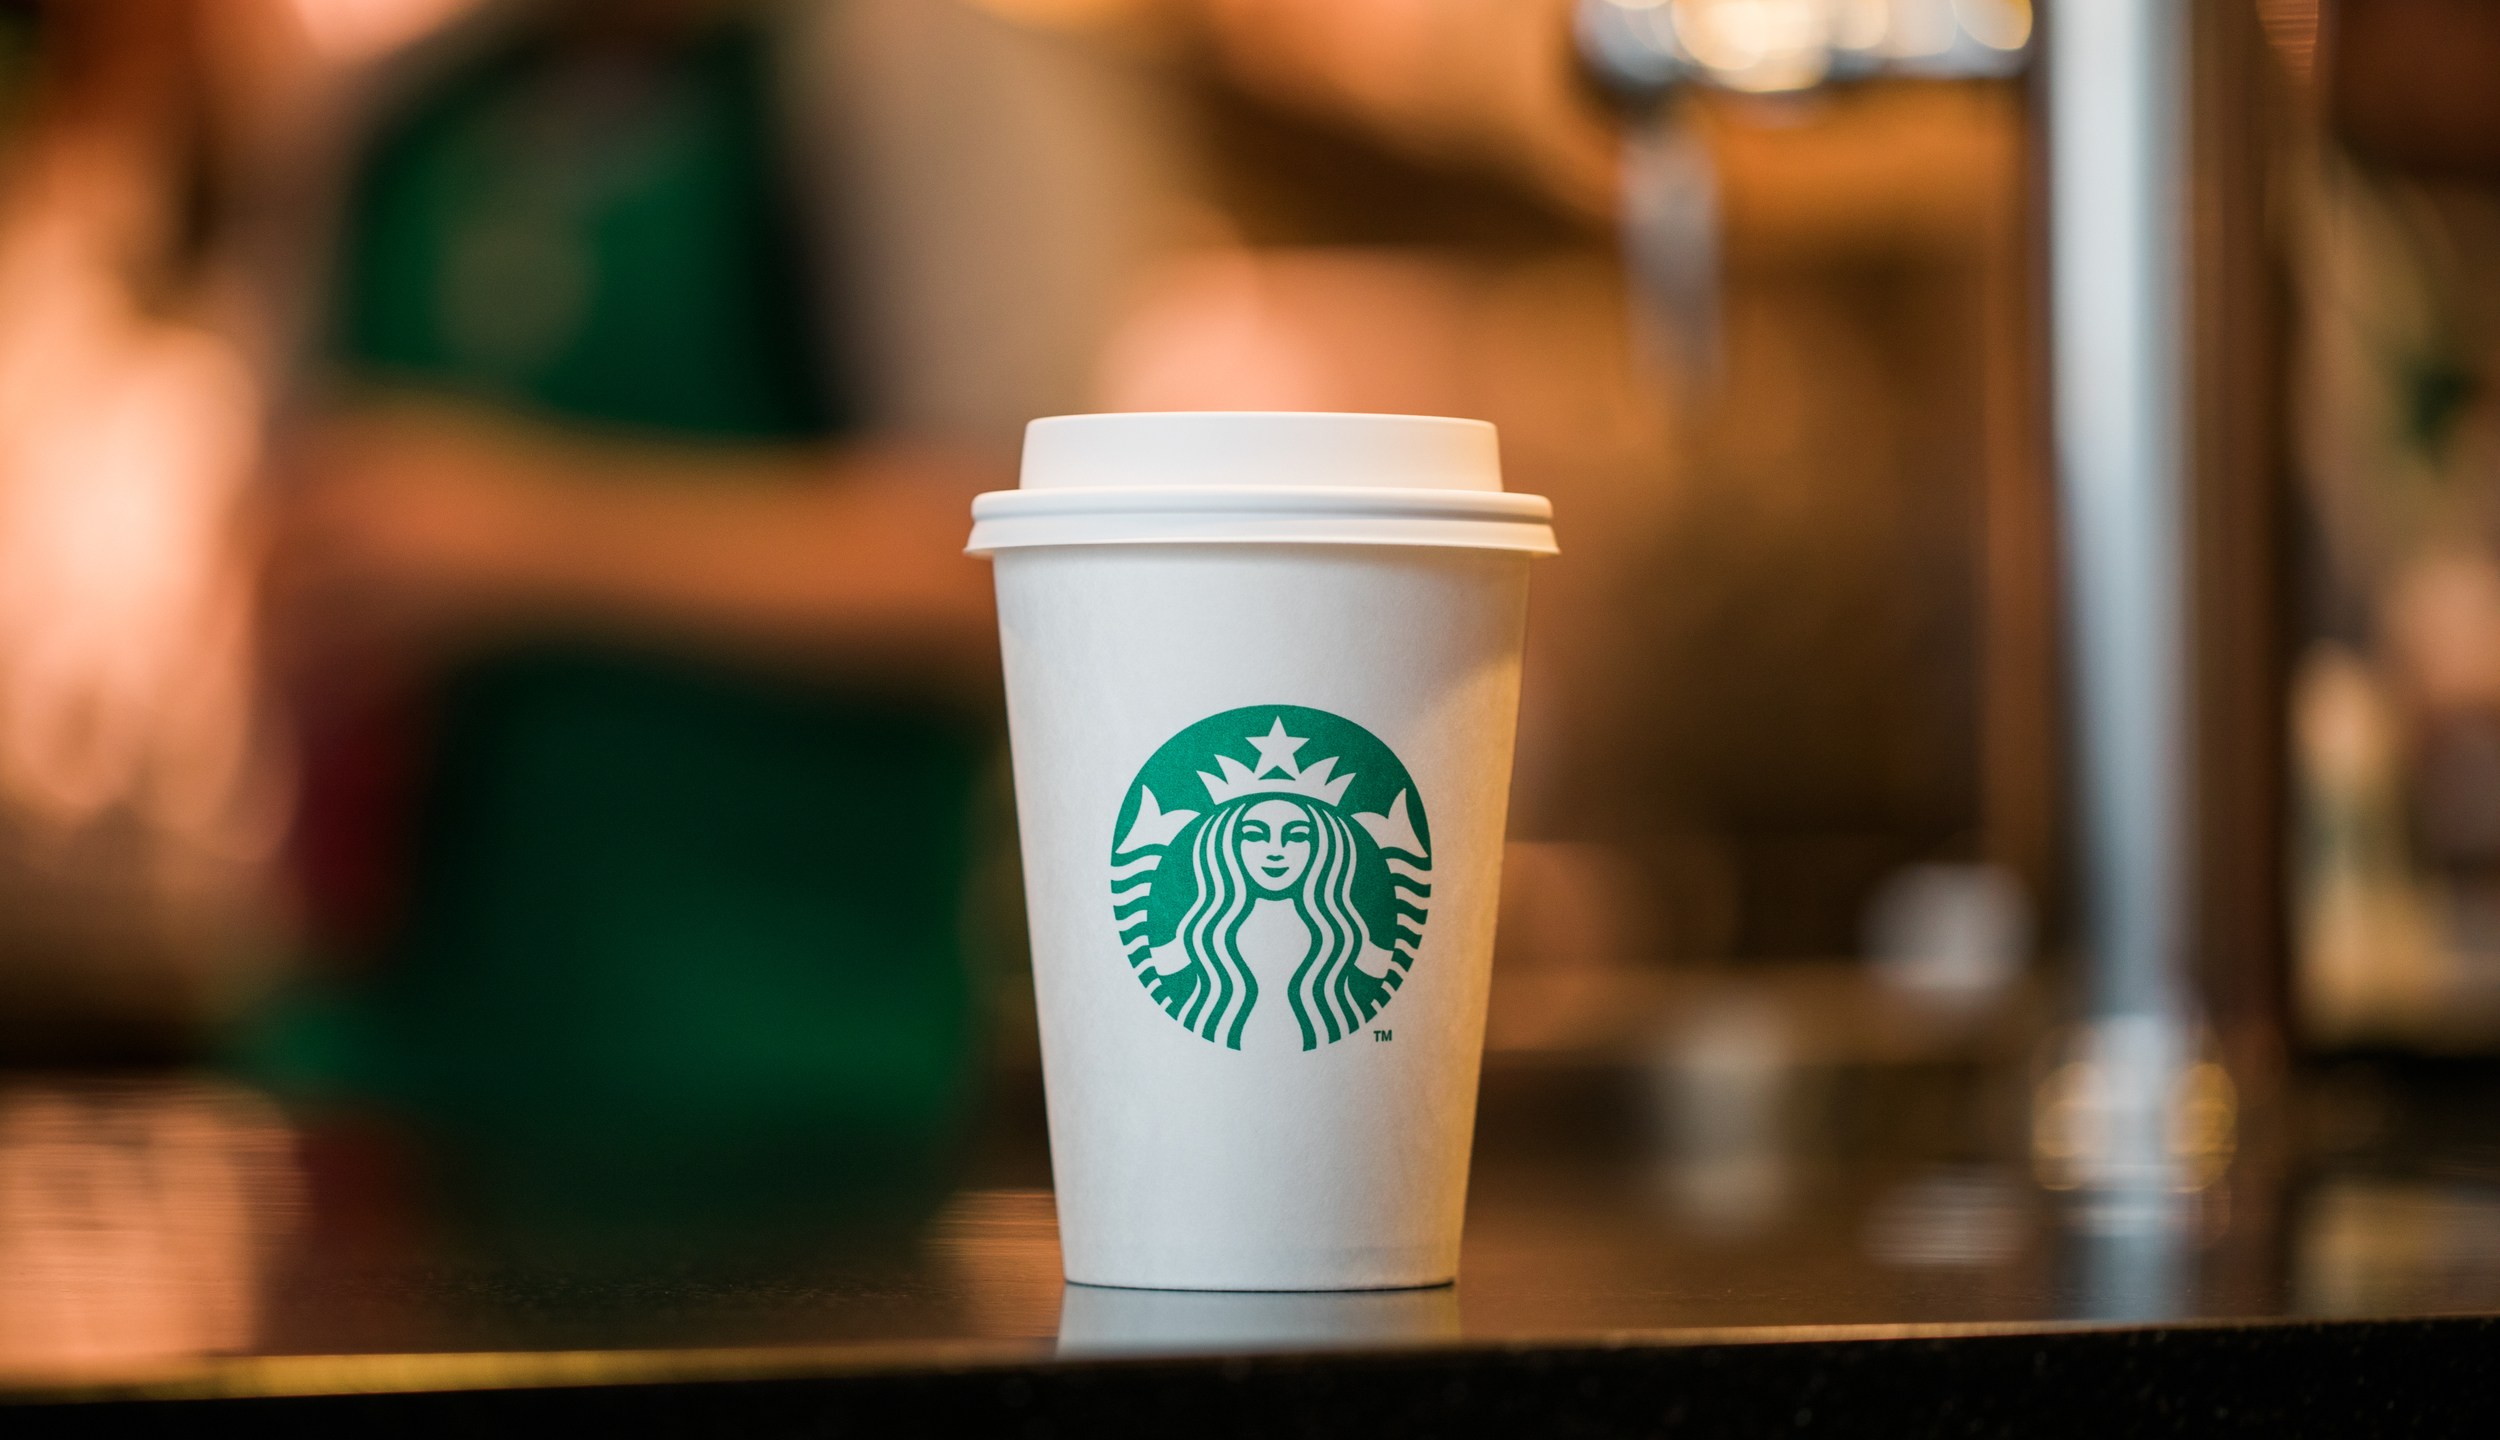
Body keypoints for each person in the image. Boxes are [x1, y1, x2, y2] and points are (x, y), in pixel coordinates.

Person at [249, 0, 1002, 1232]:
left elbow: (989, 567)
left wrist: (525, 537)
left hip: (785, 1104)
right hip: (387, 1075)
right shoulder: (397, 117)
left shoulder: (893, 78)